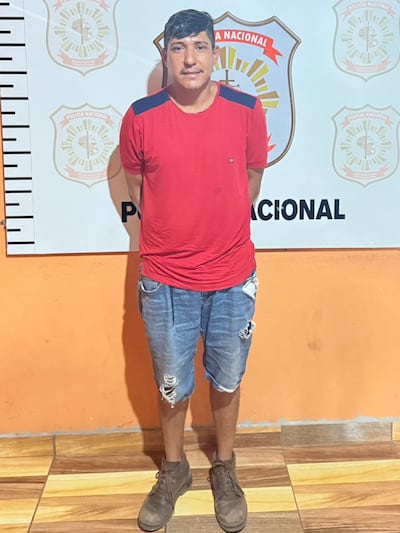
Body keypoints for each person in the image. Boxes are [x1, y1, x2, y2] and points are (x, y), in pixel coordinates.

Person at [119, 8, 268, 533]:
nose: (189, 58)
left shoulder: (247, 110)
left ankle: (224, 467)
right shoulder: (140, 116)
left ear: (214, 53)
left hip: (232, 276)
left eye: (200, 46)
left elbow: (252, 177)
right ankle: (175, 468)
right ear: (166, 56)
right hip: (165, 278)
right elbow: (139, 188)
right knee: (171, 384)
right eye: (178, 48)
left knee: (227, 379)